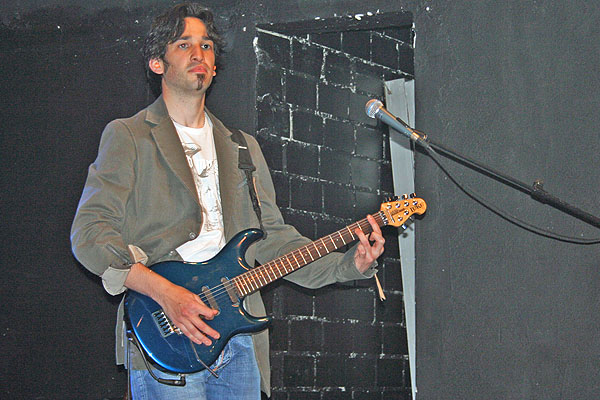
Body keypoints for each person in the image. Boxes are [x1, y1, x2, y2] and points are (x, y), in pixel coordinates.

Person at [70, 3, 385, 399]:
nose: (198, 53)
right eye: (183, 44)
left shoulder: (242, 148)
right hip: (168, 333)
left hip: (239, 338)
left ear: (215, 66)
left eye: (206, 45)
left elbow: (274, 241)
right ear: (157, 63)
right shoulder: (129, 136)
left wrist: (347, 265)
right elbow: (89, 234)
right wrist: (166, 293)